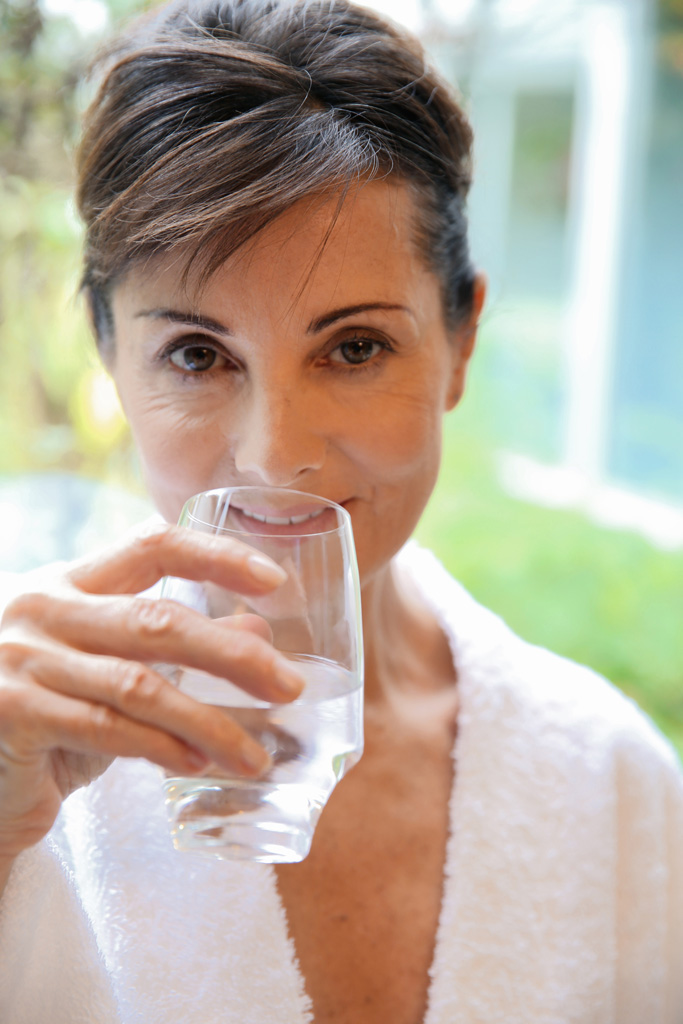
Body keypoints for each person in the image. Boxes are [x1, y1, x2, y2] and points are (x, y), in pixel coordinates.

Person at [0, 0, 681, 1021]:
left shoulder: (614, 782)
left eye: (354, 347)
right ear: (110, 356)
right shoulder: (18, 740)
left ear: (458, 343)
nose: (276, 454)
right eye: (196, 354)